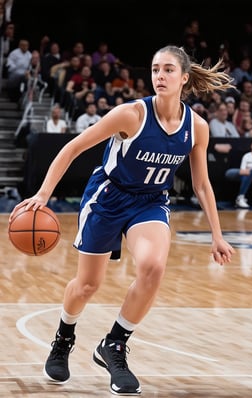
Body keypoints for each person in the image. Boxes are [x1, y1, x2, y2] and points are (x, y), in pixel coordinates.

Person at [9, 45, 235, 395]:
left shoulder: (197, 127)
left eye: (168, 70)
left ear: (184, 77)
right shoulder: (131, 114)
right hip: (107, 199)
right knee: (87, 286)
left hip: (149, 202)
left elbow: (202, 184)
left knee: (153, 268)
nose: (159, 76)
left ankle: (113, 345)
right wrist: (42, 194)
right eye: (155, 69)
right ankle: (64, 336)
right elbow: (73, 148)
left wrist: (217, 235)